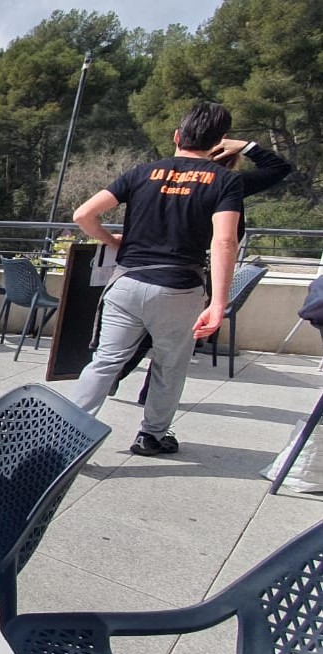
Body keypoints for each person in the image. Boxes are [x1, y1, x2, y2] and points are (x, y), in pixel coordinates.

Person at [69, 102, 244, 456]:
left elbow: (83, 214)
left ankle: (66, 435)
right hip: (179, 289)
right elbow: (225, 241)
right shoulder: (225, 181)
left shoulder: (142, 172)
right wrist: (218, 303)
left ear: (177, 136)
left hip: (127, 282)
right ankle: (152, 436)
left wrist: (112, 240)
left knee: (105, 362)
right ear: (218, 143)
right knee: (169, 365)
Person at [109, 136, 293, 401]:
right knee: (173, 343)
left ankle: (118, 379)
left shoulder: (173, 179)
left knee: (149, 334)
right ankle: (149, 396)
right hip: (193, 274)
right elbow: (279, 168)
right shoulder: (228, 183)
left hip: (152, 269)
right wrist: (246, 146)